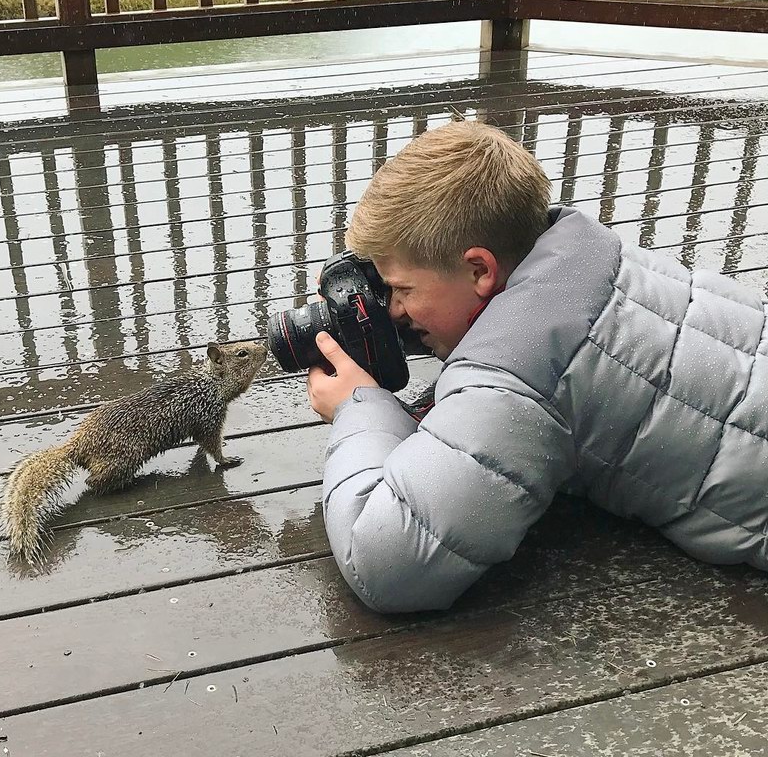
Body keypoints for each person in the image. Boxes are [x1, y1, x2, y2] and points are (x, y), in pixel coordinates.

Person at [306, 121, 768, 614]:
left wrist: (360, 407)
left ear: (480, 270)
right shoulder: (590, 257)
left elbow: (386, 565)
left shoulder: (514, 380)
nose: (394, 309)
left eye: (403, 290)